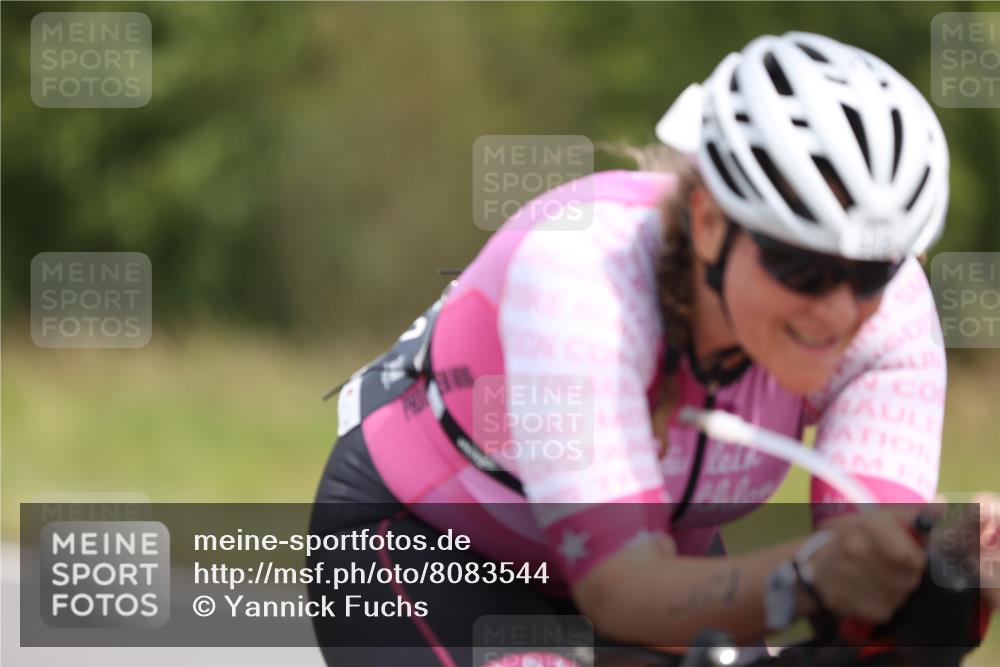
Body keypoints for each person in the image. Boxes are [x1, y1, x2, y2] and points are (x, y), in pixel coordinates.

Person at [309, 31, 996, 666]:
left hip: (661, 563)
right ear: (709, 223)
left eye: (871, 271)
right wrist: (808, 573)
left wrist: (944, 572)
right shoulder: (584, 276)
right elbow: (619, 589)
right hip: (429, 545)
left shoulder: (893, 317)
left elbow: (861, 586)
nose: (838, 309)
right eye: (799, 266)